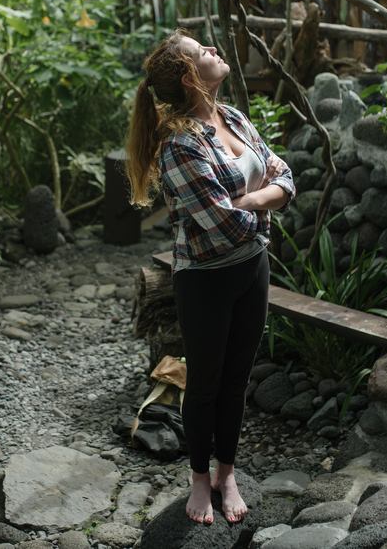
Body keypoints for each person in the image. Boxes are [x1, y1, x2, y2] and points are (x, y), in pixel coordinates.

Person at [125, 30, 295, 525]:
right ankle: (199, 480)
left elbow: (284, 175)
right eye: (204, 52)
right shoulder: (180, 144)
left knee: (237, 381)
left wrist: (249, 200)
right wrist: (262, 202)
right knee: (205, 384)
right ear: (189, 76)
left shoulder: (233, 117)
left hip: (252, 269)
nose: (216, 52)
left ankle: (227, 472)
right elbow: (221, 227)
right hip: (205, 279)